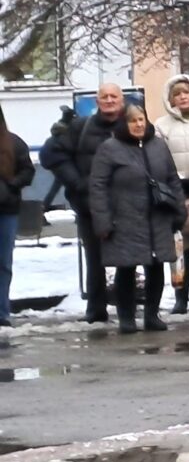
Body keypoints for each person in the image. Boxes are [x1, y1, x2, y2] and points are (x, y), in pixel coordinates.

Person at [89, 103, 185, 334]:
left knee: (156, 266)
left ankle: (152, 315)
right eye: (133, 121)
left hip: (157, 216)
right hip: (124, 218)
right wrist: (103, 220)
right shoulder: (110, 148)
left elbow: (172, 179)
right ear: (124, 124)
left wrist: (179, 210)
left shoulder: (158, 145)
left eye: (141, 119)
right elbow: (98, 186)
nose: (139, 124)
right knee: (126, 268)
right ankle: (127, 318)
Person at [43, 82, 124, 324]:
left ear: (122, 100)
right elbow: (50, 155)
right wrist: (77, 183)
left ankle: (127, 309)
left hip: (126, 203)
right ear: (97, 101)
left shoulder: (133, 124)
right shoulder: (81, 127)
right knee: (95, 258)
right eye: (104, 96)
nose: (109, 100)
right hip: (90, 204)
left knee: (128, 258)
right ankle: (96, 310)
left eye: (114, 96)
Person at [151, 75, 189, 315]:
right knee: (180, 249)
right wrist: (176, 180)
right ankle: (181, 298)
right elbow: (160, 156)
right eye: (177, 94)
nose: (183, 97)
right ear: (171, 99)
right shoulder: (162, 125)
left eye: (187, 92)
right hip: (176, 193)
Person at [0, 104, 36, 328]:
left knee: (3, 264)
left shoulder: (13, 142)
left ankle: (1, 312)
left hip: (6, 211)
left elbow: (28, 170)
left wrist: (11, 185)